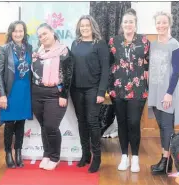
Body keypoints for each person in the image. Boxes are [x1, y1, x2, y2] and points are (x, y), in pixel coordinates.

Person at [108, 8, 150, 173]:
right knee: (122, 123)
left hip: (138, 89)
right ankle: (124, 156)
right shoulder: (114, 41)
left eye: (131, 21)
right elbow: (109, 64)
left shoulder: (145, 41)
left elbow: (148, 63)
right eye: (125, 22)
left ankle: (135, 158)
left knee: (133, 123)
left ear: (135, 24)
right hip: (118, 89)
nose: (128, 24)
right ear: (122, 24)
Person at [70, 15, 110, 173]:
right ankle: (85, 155)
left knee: (92, 122)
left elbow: (106, 70)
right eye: (82, 25)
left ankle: (97, 158)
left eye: (87, 25)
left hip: (93, 90)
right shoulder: (75, 43)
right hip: (76, 89)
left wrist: (101, 91)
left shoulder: (100, 44)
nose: (84, 28)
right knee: (81, 122)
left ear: (93, 26)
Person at [31, 23, 73, 171]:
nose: (43, 37)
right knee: (44, 126)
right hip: (37, 93)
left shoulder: (64, 51)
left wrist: (64, 94)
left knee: (51, 126)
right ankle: (46, 154)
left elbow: (68, 75)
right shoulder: (37, 52)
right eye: (40, 35)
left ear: (52, 32)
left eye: (45, 33)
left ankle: (55, 157)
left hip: (55, 93)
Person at [148, 11, 179, 175]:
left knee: (167, 127)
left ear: (169, 24)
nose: (160, 25)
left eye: (164, 22)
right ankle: (165, 160)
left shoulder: (174, 45)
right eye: (158, 22)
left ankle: (166, 160)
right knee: (161, 126)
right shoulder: (152, 44)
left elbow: (176, 72)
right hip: (154, 91)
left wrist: (169, 93)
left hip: (167, 93)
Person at [0, 20, 33, 168]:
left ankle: (19, 152)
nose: (18, 34)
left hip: (25, 91)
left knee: (21, 123)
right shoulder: (4, 49)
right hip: (10, 91)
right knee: (10, 124)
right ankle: (8, 153)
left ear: (24, 33)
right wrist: (2, 95)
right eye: (15, 31)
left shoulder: (29, 47)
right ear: (11, 33)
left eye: (21, 31)